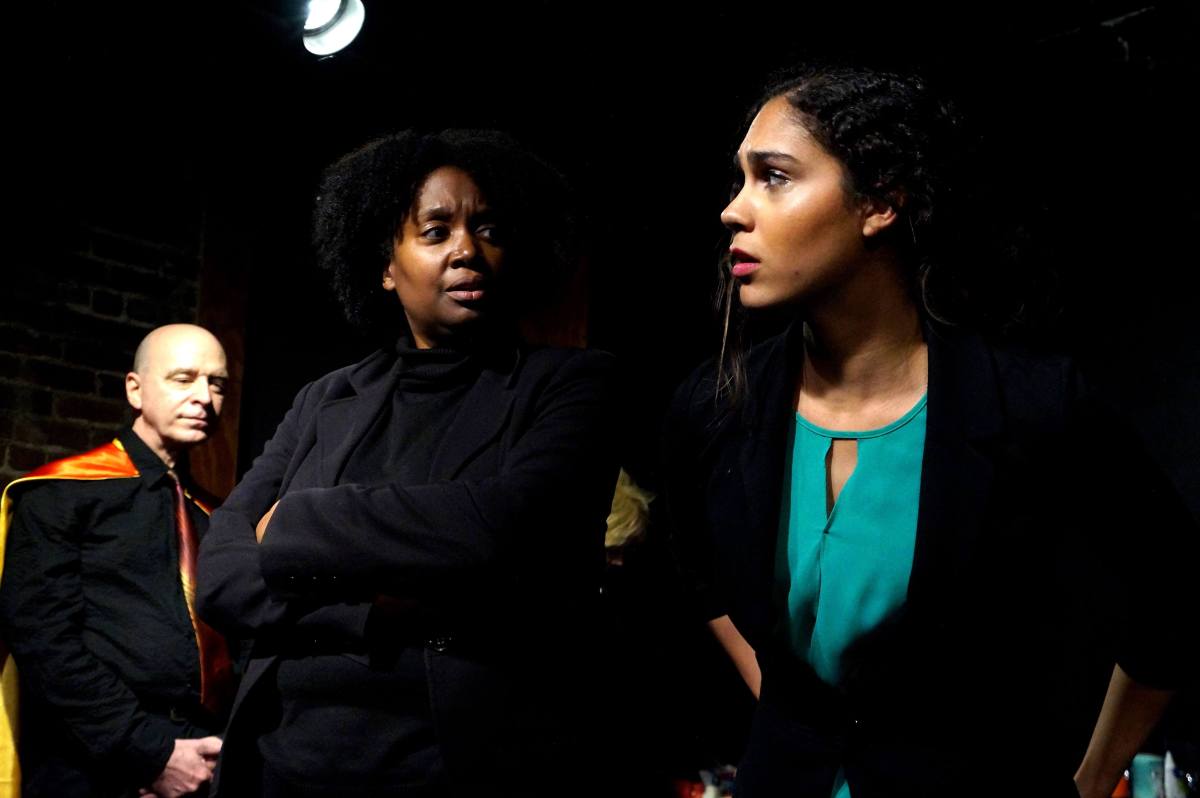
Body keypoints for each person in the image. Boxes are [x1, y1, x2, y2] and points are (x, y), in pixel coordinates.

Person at [663, 65, 1196, 798]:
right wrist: (793, 707)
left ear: (880, 202)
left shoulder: (1028, 406)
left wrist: (1095, 775)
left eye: (775, 178)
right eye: (740, 180)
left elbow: (1175, 592)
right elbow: (695, 568)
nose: (734, 210)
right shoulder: (717, 404)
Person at [195, 130, 618, 797]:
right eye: (436, 231)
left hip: (458, 766)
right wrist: (371, 615)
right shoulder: (325, 399)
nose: (467, 250)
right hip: (282, 764)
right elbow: (221, 577)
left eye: (488, 230)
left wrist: (297, 523)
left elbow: (508, 526)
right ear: (387, 267)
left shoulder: (571, 383)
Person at [0, 323, 235, 798]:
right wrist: (149, 754)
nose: (204, 398)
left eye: (217, 384)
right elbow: (44, 640)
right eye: (183, 378)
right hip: (93, 763)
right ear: (135, 389)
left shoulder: (213, 517)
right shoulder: (61, 494)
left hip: (202, 755)